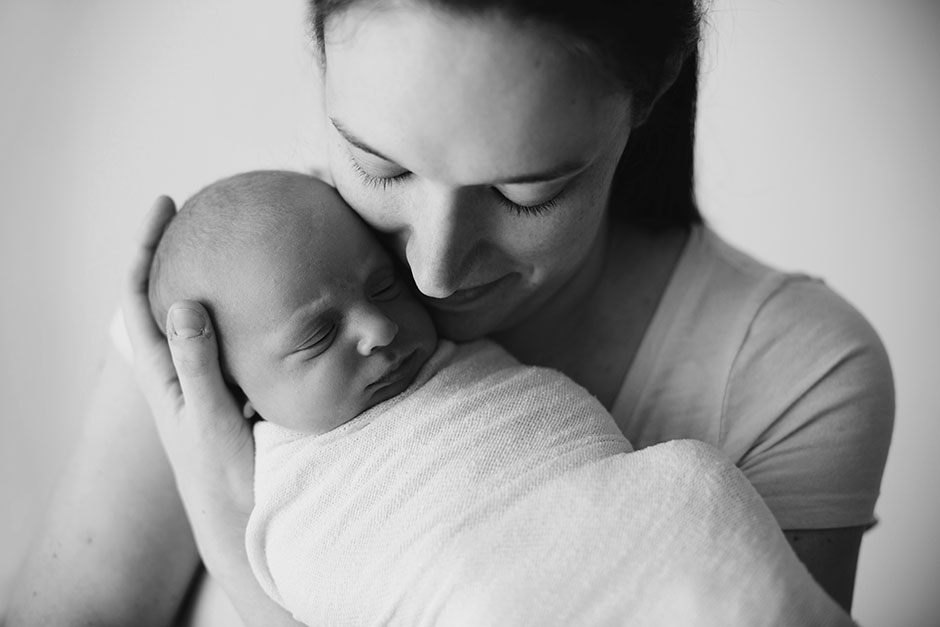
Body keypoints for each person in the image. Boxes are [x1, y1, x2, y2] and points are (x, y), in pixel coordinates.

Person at [7, 1, 893, 625]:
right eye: (380, 166)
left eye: (526, 190)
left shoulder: (791, 369)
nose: (428, 270)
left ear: (649, 93)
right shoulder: (243, 279)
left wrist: (234, 541)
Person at [149, 169, 850, 626]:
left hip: (643, 529)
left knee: (691, 482)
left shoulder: (809, 359)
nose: (379, 327)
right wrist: (229, 524)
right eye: (316, 336)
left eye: (383, 285)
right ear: (235, 389)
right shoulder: (265, 463)